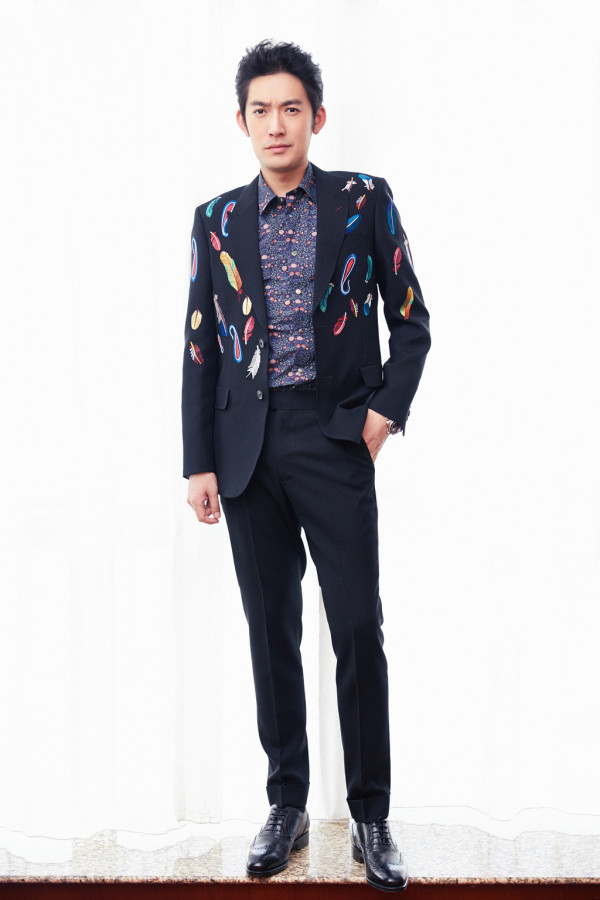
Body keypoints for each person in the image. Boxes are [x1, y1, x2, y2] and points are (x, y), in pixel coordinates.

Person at [182, 39, 431, 892]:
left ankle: (371, 815)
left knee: (357, 626)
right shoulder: (216, 220)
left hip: (333, 439)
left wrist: (382, 414)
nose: (277, 124)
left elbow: (411, 319)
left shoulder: (363, 201)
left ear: (316, 117)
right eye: (262, 110)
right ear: (242, 122)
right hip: (245, 450)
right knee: (270, 630)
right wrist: (198, 462)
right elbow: (200, 347)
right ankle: (285, 804)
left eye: (292, 108)